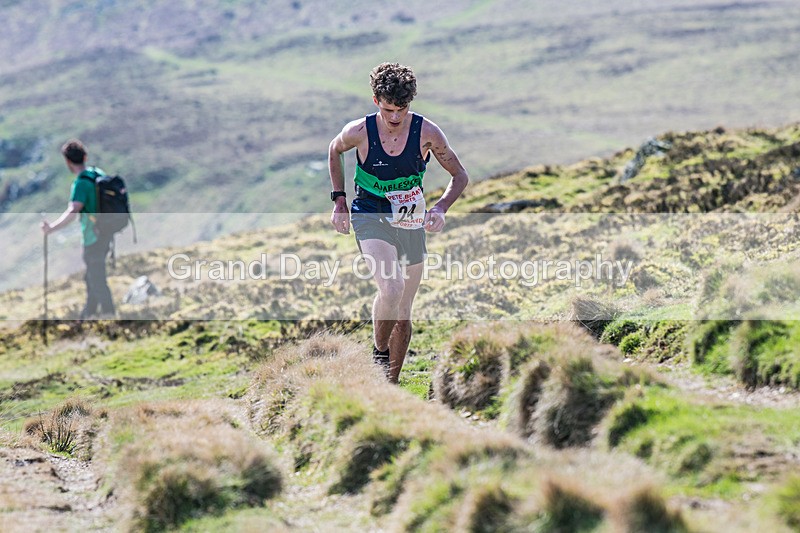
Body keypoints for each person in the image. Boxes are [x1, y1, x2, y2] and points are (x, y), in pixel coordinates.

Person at [328, 62, 469, 383]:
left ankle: (389, 383)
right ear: (376, 100)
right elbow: (334, 150)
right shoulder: (359, 131)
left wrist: (442, 207)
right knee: (391, 286)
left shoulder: (428, 133)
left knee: (403, 313)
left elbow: (460, 175)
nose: (395, 117)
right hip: (370, 212)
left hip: (410, 218)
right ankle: (378, 354)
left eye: (402, 109)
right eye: (389, 109)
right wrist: (339, 199)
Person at [41, 139, 116, 319]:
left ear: (67, 161)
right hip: (106, 233)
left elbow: (73, 211)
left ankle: (109, 316)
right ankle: (88, 316)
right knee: (92, 277)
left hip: (93, 237)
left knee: (96, 279)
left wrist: (51, 228)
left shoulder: (81, 184)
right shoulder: (98, 173)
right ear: (85, 156)